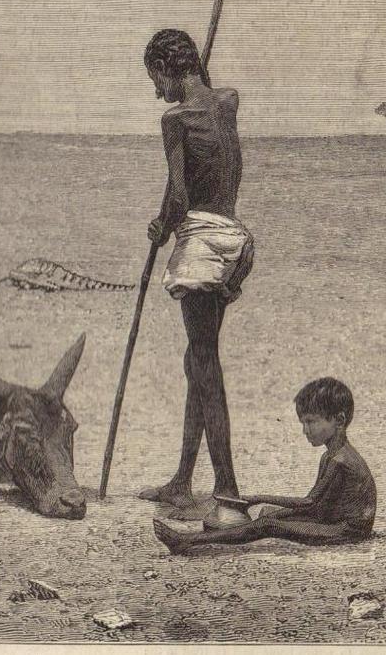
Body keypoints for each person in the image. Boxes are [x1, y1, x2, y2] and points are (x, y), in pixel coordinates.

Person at [137, 28, 254, 525]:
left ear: (167, 70)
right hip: (235, 240)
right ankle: (183, 481)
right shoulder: (227, 102)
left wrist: (162, 227)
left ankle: (227, 490)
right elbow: (209, 163)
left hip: (202, 242)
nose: (155, 91)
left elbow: (181, 197)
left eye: (155, 79)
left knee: (205, 363)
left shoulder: (174, 120)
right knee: (196, 361)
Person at [152, 377, 377, 553]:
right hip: (331, 519)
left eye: (311, 422)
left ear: (339, 420)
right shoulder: (330, 456)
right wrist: (277, 511)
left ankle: (187, 541)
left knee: (268, 524)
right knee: (270, 515)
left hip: (347, 530)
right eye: (303, 423)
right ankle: (205, 538)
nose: (305, 431)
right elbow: (316, 506)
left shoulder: (340, 460)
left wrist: (259, 498)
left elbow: (309, 503)